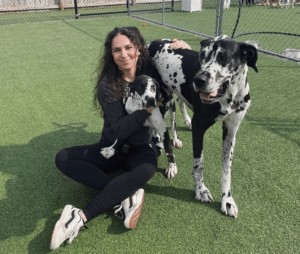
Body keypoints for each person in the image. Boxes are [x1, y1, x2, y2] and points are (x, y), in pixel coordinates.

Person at [50, 26, 191, 250]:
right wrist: (147, 108)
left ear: (137, 49)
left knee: (147, 168)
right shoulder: (108, 85)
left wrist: (183, 50)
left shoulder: (151, 73)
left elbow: (172, 58)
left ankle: (80, 216)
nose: (123, 54)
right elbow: (119, 129)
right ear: (111, 55)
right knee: (63, 157)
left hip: (141, 148)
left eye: (128, 48)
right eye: (117, 50)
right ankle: (124, 197)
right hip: (111, 147)